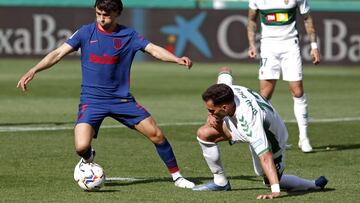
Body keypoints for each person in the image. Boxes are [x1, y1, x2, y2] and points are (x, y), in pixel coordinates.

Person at [17, 0, 194, 189]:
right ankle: (88, 158)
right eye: (98, 13)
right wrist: (34, 70)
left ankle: (177, 177)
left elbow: (154, 50)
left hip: (121, 100)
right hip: (92, 101)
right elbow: (58, 53)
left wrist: (176, 59)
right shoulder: (86, 32)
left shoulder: (129, 35)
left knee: (157, 135)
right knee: (81, 147)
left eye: (106, 15)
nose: (102, 19)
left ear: (118, 13)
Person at [192, 67, 327, 199]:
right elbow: (225, 69)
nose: (210, 113)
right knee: (204, 133)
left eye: (211, 110)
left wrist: (275, 191)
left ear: (224, 107)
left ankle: (312, 184)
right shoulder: (226, 90)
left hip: (272, 138)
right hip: (240, 125)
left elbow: (265, 156)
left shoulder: (249, 119)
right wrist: (214, 115)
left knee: (269, 180)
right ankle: (220, 182)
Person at [247, 0, 321, 153]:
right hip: (268, 46)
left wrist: (314, 47)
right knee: (265, 95)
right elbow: (251, 19)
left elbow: (307, 18)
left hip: (290, 46)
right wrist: (252, 44)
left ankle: (304, 137)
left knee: (297, 91)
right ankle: (272, 138)